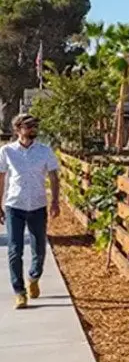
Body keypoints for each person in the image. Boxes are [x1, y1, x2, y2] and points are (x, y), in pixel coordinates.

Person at [0, 114, 61, 309]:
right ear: (18, 129)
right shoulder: (7, 152)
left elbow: (53, 177)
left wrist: (55, 202)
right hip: (14, 205)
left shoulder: (44, 151)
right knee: (14, 250)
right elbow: (1, 179)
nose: (33, 129)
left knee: (39, 249)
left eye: (35, 126)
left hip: (37, 205)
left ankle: (34, 277)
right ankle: (19, 292)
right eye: (29, 126)